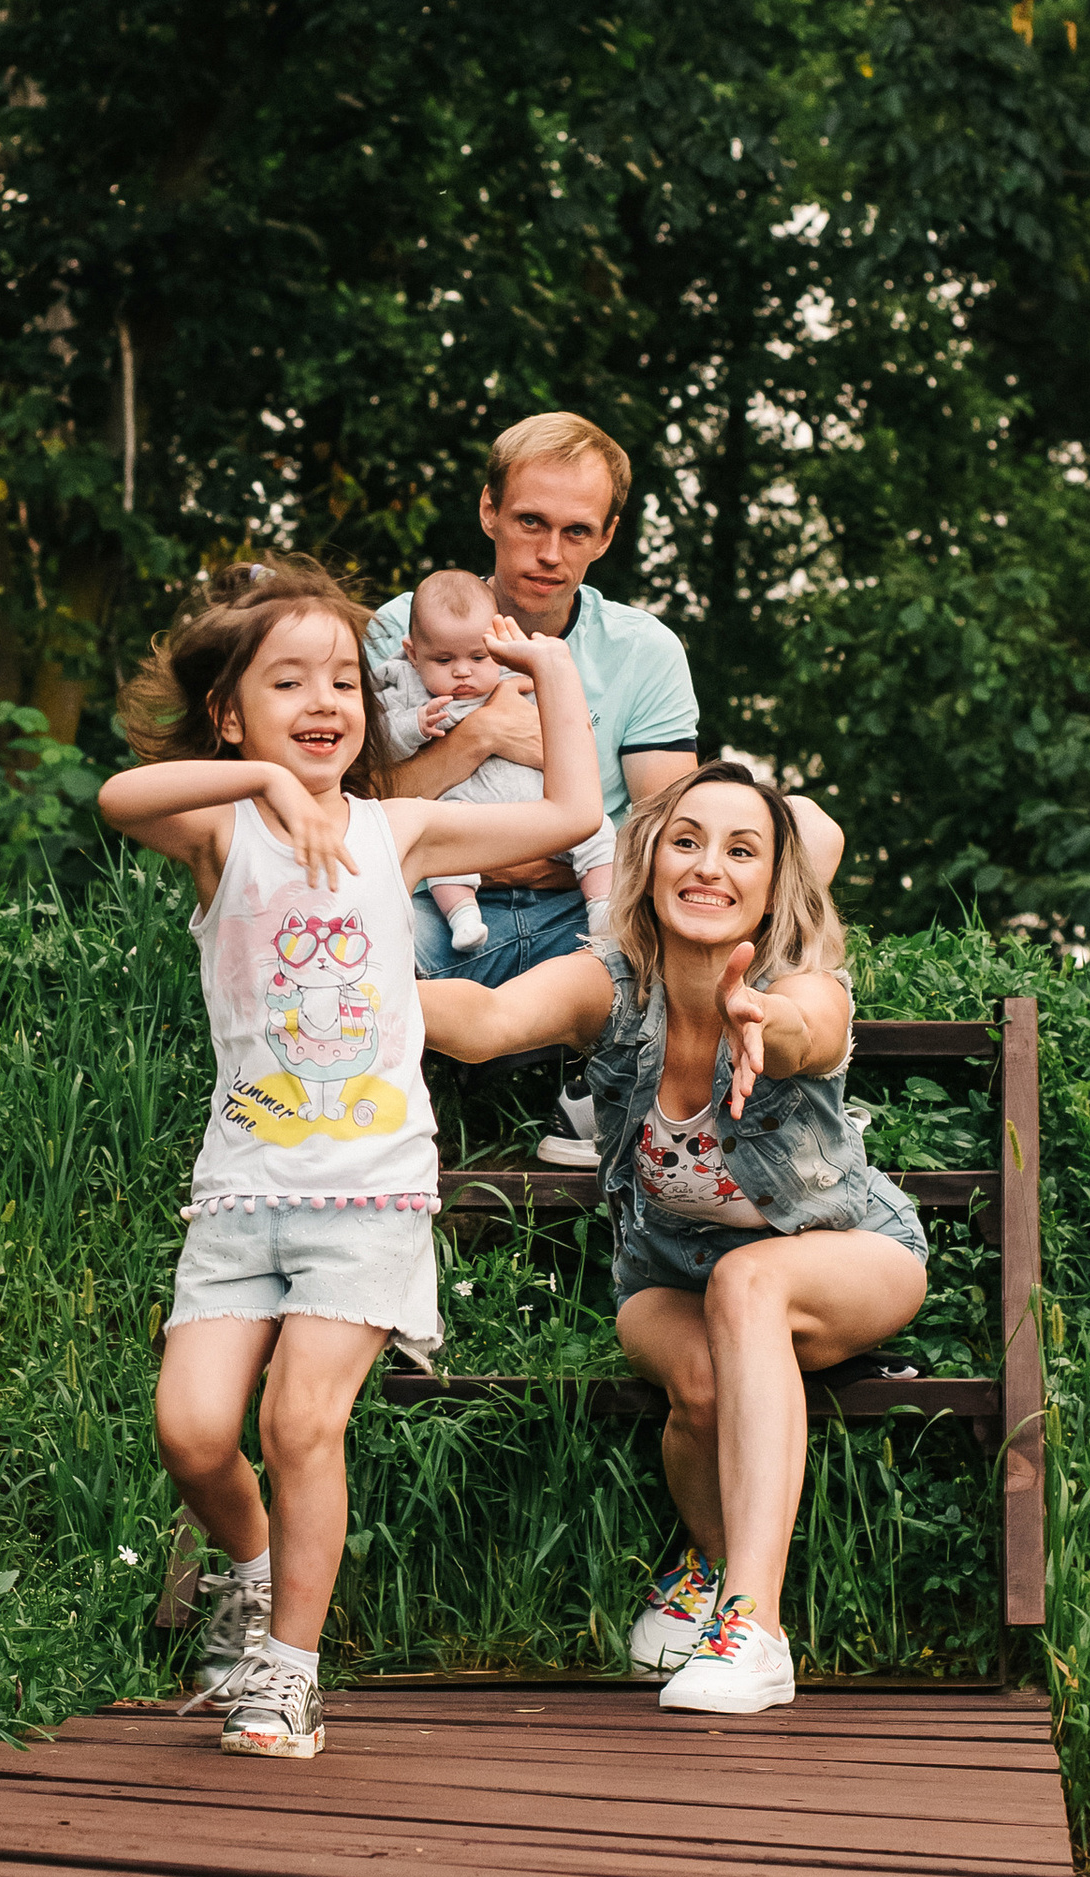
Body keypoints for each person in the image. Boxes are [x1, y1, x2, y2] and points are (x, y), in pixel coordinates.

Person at [100, 556, 603, 1758]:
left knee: (299, 1424)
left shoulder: (398, 830)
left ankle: (290, 1673)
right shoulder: (221, 831)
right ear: (230, 716)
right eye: (287, 683)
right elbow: (120, 794)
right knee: (191, 1433)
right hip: (240, 1192)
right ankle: (254, 1570)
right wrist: (265, 779)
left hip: (370, 1190)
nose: (324, 701)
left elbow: (573, 816)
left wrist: (550, 671)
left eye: (340, 680)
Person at [418, 761, 928, 1718]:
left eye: (741, 851)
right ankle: (712, 1563)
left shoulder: (801, 984)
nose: (708, 866)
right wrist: (366, 995)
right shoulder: (610, 985)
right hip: (668, 1273)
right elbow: (488, 1019)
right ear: (650, 863)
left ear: (773, 887)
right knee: (701, 1379)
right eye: (687, 842)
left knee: (749, 1288)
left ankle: (754, 1630)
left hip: (846, 1255)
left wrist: (764, 1022)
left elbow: (812, 1032)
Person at [366, 411, 701, 993]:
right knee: (346, 954)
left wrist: (533, 861)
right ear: (488, 511)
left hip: (585, 907)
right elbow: (353, 810)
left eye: (577, 532)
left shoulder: (643, 650)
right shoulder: (404, 629)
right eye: (531, 522)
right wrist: (481, 736)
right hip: (433, 906)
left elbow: (668, 830)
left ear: (606, 537)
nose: (550, 553)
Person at [376, 568, 615, 957]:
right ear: (413, 653)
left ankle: (603, 908)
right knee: (441, 845)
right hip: (467, 812)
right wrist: (413, 727)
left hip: (540, 810)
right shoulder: (405, 686)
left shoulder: (518, 671)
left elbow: (566, 730)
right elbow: (379, 741)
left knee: (598, 830)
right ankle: (463, 916)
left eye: (478, 656)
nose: (463, 671)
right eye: (443, 659)